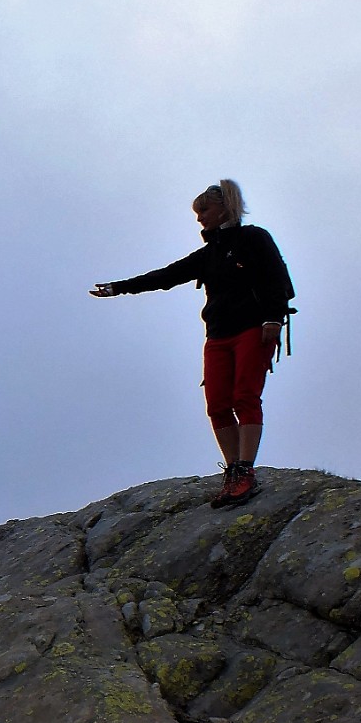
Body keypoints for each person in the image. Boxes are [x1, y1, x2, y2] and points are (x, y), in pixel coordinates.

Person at [90, 180, 293, 508]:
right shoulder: (209, 254)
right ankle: (233, 471)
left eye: (204, 210)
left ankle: (244, 470)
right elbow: (165, 276)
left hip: (253, 329)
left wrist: (273, 319)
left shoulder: (254, 238)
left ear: (224, 207)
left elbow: (277, 279)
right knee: (217, 404)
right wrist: (118, 288)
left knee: (244, 396)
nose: (199, 219)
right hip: (218, 335)